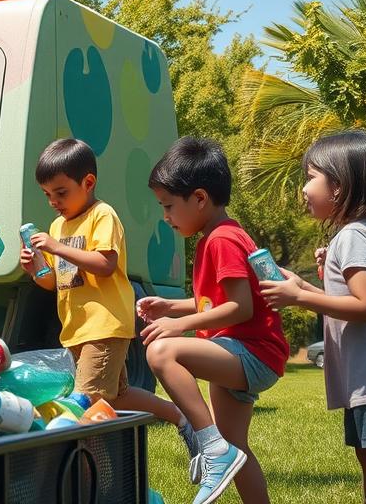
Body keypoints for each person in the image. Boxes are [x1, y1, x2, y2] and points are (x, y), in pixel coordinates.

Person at [260, 130, 366, 504]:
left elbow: (365, 307)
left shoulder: (353, 235)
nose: (304, 188)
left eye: (311, 177)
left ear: (340, 185)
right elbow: (354, 302)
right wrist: (308, 288)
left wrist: (300, 296)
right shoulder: (356, 234)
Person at [138, 136, 289, 504]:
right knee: (238, 448)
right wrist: (173, 308)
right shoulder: (219, 236)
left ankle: (209, 445)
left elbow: (241, 308)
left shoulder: (222, 240)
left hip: (249, 351)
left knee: (161, 353)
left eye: (169, 206)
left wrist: (178, 326)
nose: (166, 216)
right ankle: (222, 451)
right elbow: (214, 302)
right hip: (239, 349)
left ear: (200, 198)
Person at [19, 140, 189, 432]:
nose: (53, 202)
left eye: (61, 193)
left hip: (105, 326)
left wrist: (56, 247)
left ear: (88, 182)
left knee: (84, 404)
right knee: (119, 396)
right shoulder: (58, 227)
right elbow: (56, 282)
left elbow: (105, 264)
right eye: (47, 195)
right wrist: (35, 269)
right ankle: (182, 416)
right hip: (75, 330)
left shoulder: (102, 215)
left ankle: (90, 473)